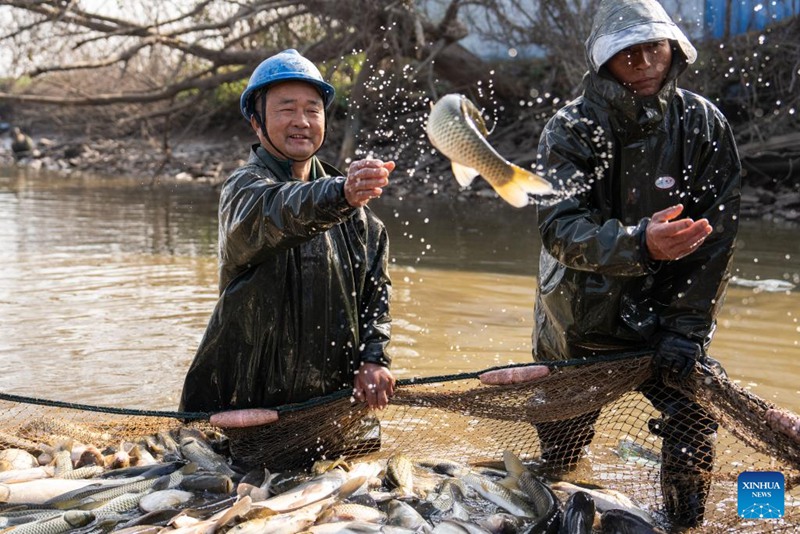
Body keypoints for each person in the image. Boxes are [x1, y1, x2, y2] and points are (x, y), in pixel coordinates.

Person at [531, 0, 741, 529]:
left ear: (675, 50)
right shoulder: (569, 128)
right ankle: (553, 492)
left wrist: (687, 331)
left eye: (655, 48)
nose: (646, 63)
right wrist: (640, 243)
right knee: (560, 451)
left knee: (694, 420)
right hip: (578, 323)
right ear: (605, 63)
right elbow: (559, 228)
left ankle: (687, 522)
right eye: (629, 55)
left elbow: (717, 242)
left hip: (667, 321)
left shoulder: (703, 124)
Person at [179, 49, 396, 424]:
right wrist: (342, 193)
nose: (302, 121)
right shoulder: (244, 191)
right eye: (286, 109)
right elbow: (281, 209)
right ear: (256, 121)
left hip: (334, 406)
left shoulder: (353, 208)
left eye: (313, 110)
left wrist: (374, 358)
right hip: (245, 405)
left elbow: (376, 288)